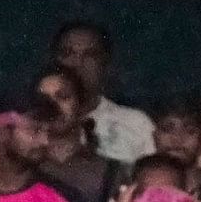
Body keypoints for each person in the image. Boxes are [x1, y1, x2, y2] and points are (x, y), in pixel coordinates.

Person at [49, 22, 154, 168]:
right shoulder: (34, 124)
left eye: (90, 55)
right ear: (55, 61)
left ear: (105, 65)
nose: (77, 63)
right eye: (68, 53)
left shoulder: (136, 124)